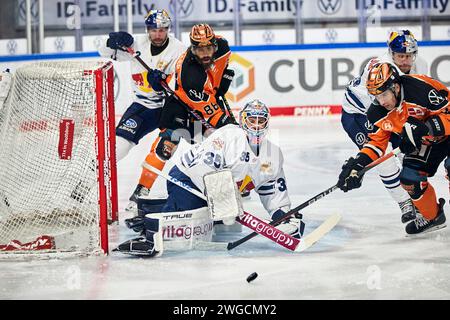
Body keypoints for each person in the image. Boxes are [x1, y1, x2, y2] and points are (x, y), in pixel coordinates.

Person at [115, 100, 305, 256]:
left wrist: (283, 217)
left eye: (260, 121)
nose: (256, 125)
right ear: (243, 120)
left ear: (267, 123)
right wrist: (224, 203)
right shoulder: (229, 136)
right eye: (251, 120)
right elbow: (203, 169)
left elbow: (271, 190)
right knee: (181, 231)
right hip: (186, 179)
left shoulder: (272, 153)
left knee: (210, 223)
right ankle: (150, 225)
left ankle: (150, 206)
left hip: (215, 190)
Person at [127, 23, 237, 211]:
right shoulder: (190, 75)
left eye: (209, 48)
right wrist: (229, 126)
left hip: (205, 97)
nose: (205, 54)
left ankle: (226, 190)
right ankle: (141, 190)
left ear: (215, 45)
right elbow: (212, 114)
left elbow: (218, 69)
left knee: (218, 149)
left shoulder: (223, 47)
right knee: (165, 147)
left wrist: (220, 83)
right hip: (180, 104)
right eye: (199, 50)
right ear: (192, 49)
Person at [337, 62, 449, 235]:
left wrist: (427, 126)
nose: (381, 102)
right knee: (410, 179)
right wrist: (358, 164)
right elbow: (376, 142)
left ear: (395, 87)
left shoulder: (420, 88)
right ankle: (433, 217)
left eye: (383, 95)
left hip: (445, 132)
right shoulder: (377, 112)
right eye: (376, 96)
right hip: (426, 142)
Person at [98, 9, 186, 210]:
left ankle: (141, 191)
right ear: (147, 30)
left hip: (170, 107)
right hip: (143, 106)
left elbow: (183, 83)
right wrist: (109, 42)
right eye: (153, 30)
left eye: (162, 30)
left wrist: (165, 83)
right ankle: (90, 180)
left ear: (168, 29)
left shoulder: (179, 50)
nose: (158, 34)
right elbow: (103, 53)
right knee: (117, 145)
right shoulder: (135, 45)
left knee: (164, 149)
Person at [341, 30, 428, 223]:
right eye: (400, 56)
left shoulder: (417, 66)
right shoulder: (381, 68)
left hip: (384, 109)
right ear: (391, 53)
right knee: (382, 157)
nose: (405, 61)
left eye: (409, 56)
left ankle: (419, 201)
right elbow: (380, 108)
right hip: (358, 114)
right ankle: (404, 202)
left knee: (412, 153)